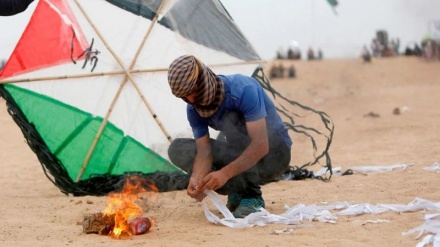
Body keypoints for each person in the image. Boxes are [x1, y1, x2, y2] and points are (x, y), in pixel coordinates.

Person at [167, 55, 292, 218]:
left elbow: (261, 145)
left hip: (274, 154)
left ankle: (252, 196)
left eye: (193, 92)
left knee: (230, 119)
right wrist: (197, 179)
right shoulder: (193, 109)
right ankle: (238, 189)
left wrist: (224, 174)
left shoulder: (243, 90)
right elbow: (204, 152)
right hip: (239, 154)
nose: (191, 99)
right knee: (177, 148)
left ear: (203, 80)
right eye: (184, 96)